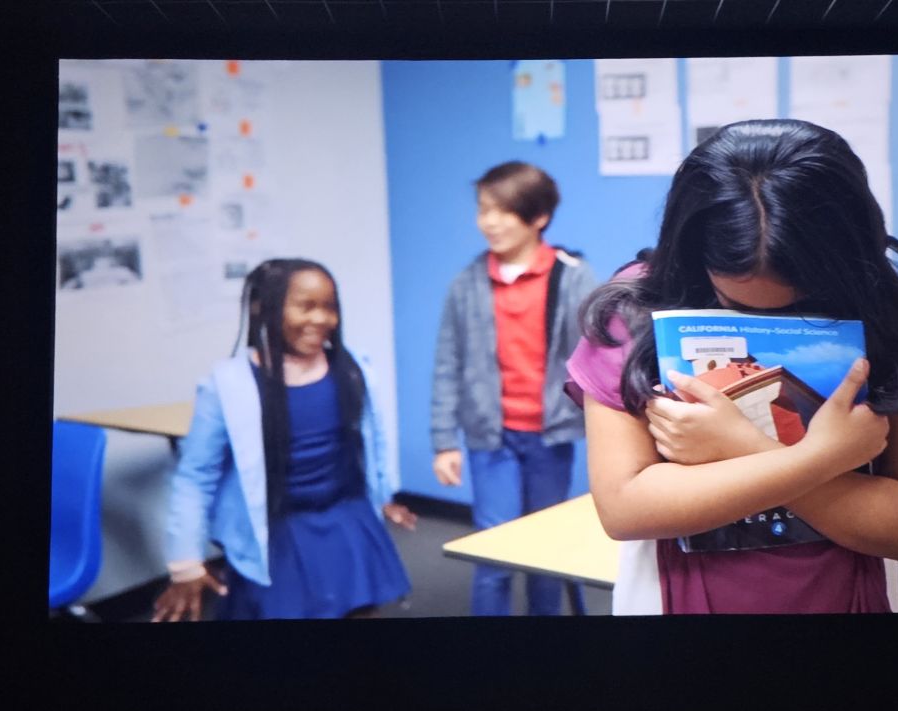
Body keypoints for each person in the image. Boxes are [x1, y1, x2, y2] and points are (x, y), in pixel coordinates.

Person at [567, 119, 898, 614]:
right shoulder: (635, 306)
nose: (766, 321)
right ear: (693, 253)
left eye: (801, 304)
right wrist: (821, 458)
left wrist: (738, 444)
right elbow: (626, 508)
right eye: (736, 304)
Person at [154, 258, 418, 621]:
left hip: (347, 523)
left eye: (329, 307)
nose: (321, 319)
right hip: (279, 536)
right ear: (262, 308)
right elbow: (195, 477)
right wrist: (185, 562)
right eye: (306, 306)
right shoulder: (229, 385)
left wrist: (382, 496)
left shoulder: (353, 368)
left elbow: (370, 444)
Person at [431, 161, 598, 616]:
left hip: (550, 437)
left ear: (538, 216)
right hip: (491, 438)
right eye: (483, 209)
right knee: (494, 553)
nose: (489, 221)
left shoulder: (573, 276)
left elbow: (597, 356)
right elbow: (447, 363)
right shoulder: (467, 284)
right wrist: (444, 441)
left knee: (545, 554)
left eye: (503, 211)